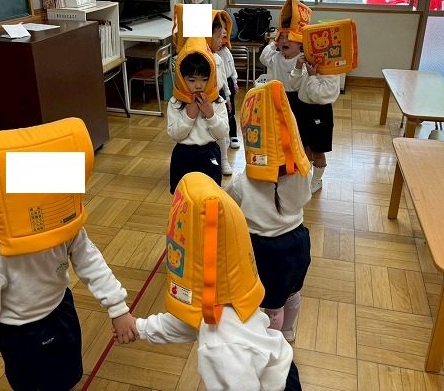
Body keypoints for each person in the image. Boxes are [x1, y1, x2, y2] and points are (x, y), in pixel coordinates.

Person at [0, 118, 138, 391]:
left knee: (67, 374)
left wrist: (118, 308)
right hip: (19, 330)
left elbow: (92, 263)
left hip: (60, 310)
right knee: (30, 382)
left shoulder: (66, 231)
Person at [127, 171, 301, 390]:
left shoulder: (221, 348)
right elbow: (184, 325)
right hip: (276, 365)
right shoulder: (223, 302)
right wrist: (139, 328)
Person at [225, 79, 312, 344]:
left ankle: (271, 343)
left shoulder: (242, 182)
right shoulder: (302, 174)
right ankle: (287, 332)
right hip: (296, 242)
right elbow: (305, 198)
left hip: (263, 249)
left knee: (271, 304)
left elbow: (228, 204)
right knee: (292, 293)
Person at [168, 36, 229, 194]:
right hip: (183, 155)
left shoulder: (217, 101)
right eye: (192, 80)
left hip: (209, 154)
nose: (199, 85)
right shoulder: (175, 102)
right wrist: (188, 116)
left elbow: (222, 133)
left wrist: (211, 115)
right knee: (183, 196)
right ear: (181, 78)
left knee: (211, 195)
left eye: (204, 79)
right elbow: (175, 135)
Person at [290, 54, 340, 193]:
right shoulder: (311, 66)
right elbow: (294, 85)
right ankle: (307, 176)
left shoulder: (332, 72)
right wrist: (298, 68)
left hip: (320, 113)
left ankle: (317, 180)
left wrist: (312, 76)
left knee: (318, 150)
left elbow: (318, 95)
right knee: (305, 146)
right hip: (303, 110)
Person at [259, 0, 312, 118]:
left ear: (300, 42)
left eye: (289, 37)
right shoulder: (276, 57)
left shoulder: (302, 59)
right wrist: (274, 43)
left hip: (297, 97)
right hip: (278, 95)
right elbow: (263, 57)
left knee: (296, 120)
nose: (284, 41)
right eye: (281, 37)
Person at [208, 10, 234, 175]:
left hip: (218, 98)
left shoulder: (218, 57)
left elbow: (223, 78)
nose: (221, 40)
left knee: (222, 132)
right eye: (218, 37)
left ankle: (224, 160)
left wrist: (228, 97)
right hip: (201, 102)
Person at [215, 13, 241, 151]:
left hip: (229, 82)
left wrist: (235, 81)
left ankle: (233, 135)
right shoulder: (212, 53)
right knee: (220, 110)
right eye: (221, 29)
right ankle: (221, 135)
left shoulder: (226, 51)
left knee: (231, 110)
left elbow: (232, 68)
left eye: (225, 28)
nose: (224, 32)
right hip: (217, 85)